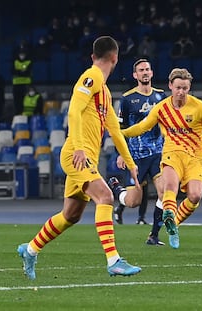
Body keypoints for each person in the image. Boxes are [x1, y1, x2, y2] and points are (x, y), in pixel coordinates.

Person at [17, 36, 142, 280]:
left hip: (83, 158)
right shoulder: (92, 76)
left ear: (93, 55)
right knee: (105, 196)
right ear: (115, 58)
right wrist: (78, 145)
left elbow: (115, 131)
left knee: (71, 215)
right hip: (77, 155)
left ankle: (30, 250)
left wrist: (131, 163)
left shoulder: (104, 92)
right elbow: (73, 108)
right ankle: (114, 260)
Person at [120, 68, 202, 249]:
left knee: (195, 196)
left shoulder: (199, 107)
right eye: (178, 88)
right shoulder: (162, 108)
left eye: (185, 88)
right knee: (169, 187)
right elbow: (142, 127)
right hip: (171, 154)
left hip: (195, 158)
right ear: (170, 86)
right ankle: (168, 214)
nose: (181, 92)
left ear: (189, 87)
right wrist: (119, 132)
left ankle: (173, 224)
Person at [108, 58, 167, 246]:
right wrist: (121, 153)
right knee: (133, 201)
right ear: (135, 75)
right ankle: (116, 187)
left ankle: (154, 236)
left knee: (164, 194)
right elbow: (120, 129)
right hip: (136, 157)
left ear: (152, 73)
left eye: (147, 69)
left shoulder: (161, 96)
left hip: (158, 153)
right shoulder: (127, 99)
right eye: (141, 70)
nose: (145, 72)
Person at [12, 48, 32, 116]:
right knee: (17, 101)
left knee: (25, 100)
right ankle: (17, 114)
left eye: (23, 54)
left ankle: (25, 114)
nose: (22, 56)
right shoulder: (15, 62)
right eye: (20, 54)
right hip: (16, 85)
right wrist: (22, 71)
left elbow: (28, 72)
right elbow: (13, 71)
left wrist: (19, 71)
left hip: (26, 84)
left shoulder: (28, 62)